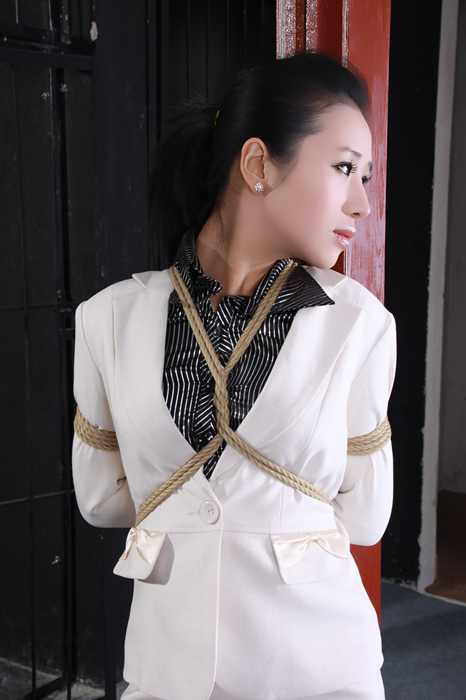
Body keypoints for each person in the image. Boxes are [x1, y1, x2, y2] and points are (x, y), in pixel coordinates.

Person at [72, 51, 397, 699]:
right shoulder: (104, 317)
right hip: (170, 669)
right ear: (257, 165)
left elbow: (367, 520)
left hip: (319, 670)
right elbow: (98, 501)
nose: (362, 203)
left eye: (365, 176)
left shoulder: (362, 324)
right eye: (344, 168)